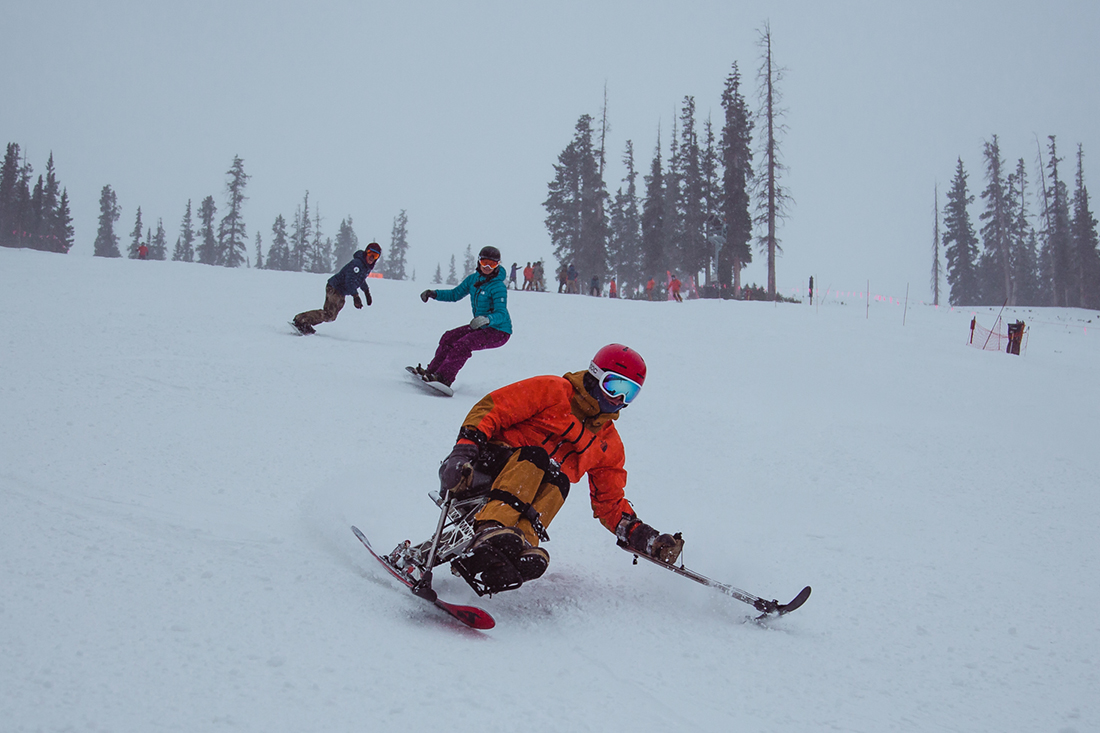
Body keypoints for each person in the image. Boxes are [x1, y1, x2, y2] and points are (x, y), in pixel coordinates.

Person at [436, 343, 683, 592]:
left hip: (528, 491)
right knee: (537, 458)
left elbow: (609, 501)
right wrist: (463, 451)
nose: (619, 399)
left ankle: (517, 545)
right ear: (596, 375)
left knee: (560, 479)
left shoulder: (609, 444)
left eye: (629, 393)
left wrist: (643, 536)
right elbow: (492, 409)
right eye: (614, 386)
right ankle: (492, 529)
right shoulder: (553, 391)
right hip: (481, 468)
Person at [416, 245, 511, 387]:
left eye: (492, 264)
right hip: (480, 326)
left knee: (464, 344)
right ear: (478, 262)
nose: (487, 267)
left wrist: (487, 319)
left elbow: (502, 313)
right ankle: (432, 371)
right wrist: (433, 293)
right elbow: (455, 294)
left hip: (499, 331)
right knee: (449, 337)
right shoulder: (473, 280)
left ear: (498, 265)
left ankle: (444, 378)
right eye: (484, 262)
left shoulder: (498, 286)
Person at [292, 242, 381, 334]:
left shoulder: (365, 266)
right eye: (370, 253)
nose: (371, 257)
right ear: (366, 252)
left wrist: (366, 291)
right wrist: (356, 296)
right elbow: (349, 281)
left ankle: (304, 321)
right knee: (329, 314)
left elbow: (360, 279)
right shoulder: (357, 264)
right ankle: (302, 321)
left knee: (330, 315)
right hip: (335, 288)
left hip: (340, 291)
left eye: (375, 256)